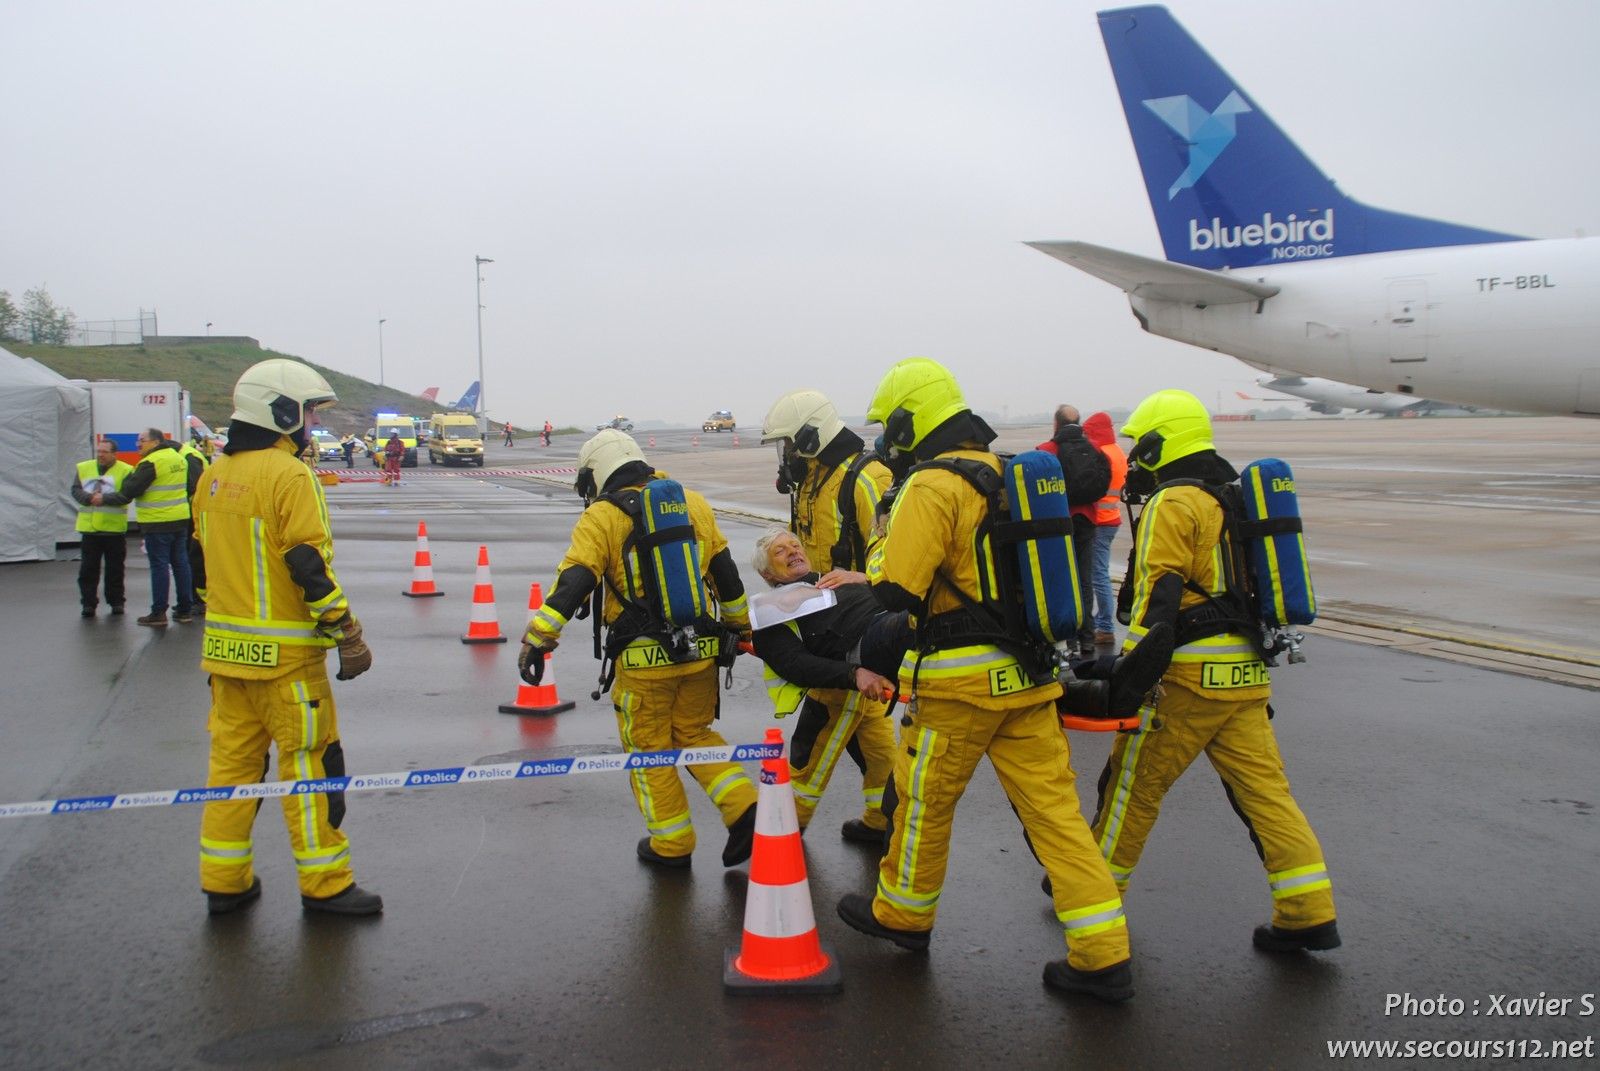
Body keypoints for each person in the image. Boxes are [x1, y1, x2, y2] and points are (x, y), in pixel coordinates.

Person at [835, 357, 1135, 1003]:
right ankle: (1103, 951)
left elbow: (898, 591)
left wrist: (866, 568)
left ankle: (903, 914)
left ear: (914, 419)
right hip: (1030, 676)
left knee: (922, 803)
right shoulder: (1008, 475)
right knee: (1056, 814)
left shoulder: (932, 486)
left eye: (894, 423)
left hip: (961, 682)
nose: (890, 437)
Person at [1095, 388, 1339, 954]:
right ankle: (1308, 911)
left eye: (1140, 445)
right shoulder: (1234, 497)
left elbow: (1159, 599)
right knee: (1266, 795)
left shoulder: (1173, 503)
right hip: (1246, 673)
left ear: (1161, 442)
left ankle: (1092, 898)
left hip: (1187, 676)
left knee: (1131, 788)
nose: (1135, 457)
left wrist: (1128, 678)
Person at [191, 358, 380, 917]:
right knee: (312, 767)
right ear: (281, 411)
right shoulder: (287, 475)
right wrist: (344, 629)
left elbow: (205, 568)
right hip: (287, 664)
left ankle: (224, 882)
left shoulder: (212, 475)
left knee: (231, 771)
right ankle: (326, 886)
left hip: (225, 659)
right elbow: (306, 564)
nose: (310, 425)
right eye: (308, 413)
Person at [518, 429, 759, 869]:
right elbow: (726, 575)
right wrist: (739, 628)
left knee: (649, 749)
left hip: (643, 662)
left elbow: (575, 581)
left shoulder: (602, 517)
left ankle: (672, 845)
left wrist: (539, 637)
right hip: (701, 650)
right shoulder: (693, 503)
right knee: (696, 734)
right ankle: (745, 809)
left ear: (598, 474)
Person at [759, 389, 898, 843]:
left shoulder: (865, 479)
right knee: (875, 742)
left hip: (855, 631)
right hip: (827, 629)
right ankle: (884, 819)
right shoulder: (814, 483)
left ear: (811, 437)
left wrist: (867, 582)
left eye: (790, 444)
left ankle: (782, 830)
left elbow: (893, 551)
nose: (788, 455)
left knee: (815, 738)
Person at [96, 427, 198, 627]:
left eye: (142, 440)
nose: (138, 444)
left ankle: (159, 612)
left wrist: (103, 498)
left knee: (159, 566)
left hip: (157, 522)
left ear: (156, 442)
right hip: (180, 519)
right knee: (181, 564)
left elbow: (128, 492)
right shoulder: (177, 458)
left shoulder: (151, 462)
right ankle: (185, 609)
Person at [1036, 404, 1111, 655]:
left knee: (1062, 580)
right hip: (1088, 520)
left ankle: (1067, 639)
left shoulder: (1047, 451)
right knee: (1085, 580)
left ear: (1055, 424)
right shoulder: (1094, 450)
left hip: (1059, 522)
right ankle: (1087, 637)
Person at [70, 439, 134, 617]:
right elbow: (75, 489)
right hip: (89, 529)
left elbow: (126, 495)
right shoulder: (84, 468)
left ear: (114, 454)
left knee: (115, 569)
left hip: (113, 529)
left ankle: (116, 602)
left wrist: (104, 499)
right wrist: (89, 498)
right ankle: (88, 603)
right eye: (99, 451)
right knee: (88, 570)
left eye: (105, 452)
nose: (100, 455)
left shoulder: (125, 470)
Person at [1082, 412, 1127, 647]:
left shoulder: (1101, 454)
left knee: (1097, 574)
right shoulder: (1117, 451)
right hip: (1113, 517)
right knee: (1100, 572)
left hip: (1100, 520)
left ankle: (1106, 627)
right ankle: (1103, 622)